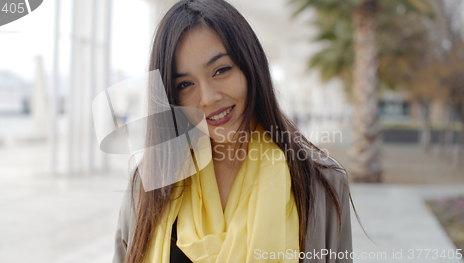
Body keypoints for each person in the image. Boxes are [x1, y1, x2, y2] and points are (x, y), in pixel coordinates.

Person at [113, 0, 357, 262]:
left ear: (251, 66)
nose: (207, 98)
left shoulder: (321, 182)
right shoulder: (151, 182)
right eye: (185, 84)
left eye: (221, 70)